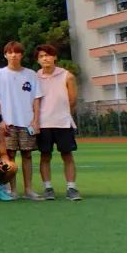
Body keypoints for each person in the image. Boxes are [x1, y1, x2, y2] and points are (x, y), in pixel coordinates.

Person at [0, 41, 43, 200]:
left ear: (21, 55)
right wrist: (0, 120)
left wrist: (35, 120)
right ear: (5, 55)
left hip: (27, 121)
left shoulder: (31, 74)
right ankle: (12, 190)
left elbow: (36, 98)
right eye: (10, 52)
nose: (13, 55)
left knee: (27, 155)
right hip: (8, 122)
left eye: (17, 52)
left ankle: (28, 189)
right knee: (9, 155)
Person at [35, 44, 81, 201]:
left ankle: (71, 188)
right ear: (38, 60)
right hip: (43, 124)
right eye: (41, 56)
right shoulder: (35, 77)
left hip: (63, 123)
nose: (45, 58)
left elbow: (72, 100)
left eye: (48, 55)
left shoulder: (67, 76)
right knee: (45, 156)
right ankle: (48, 188)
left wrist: (64, 115)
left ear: (54, 57)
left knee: (67, 155)